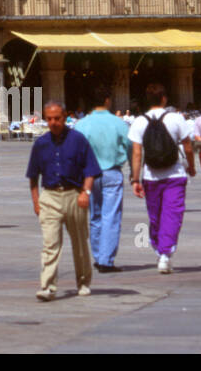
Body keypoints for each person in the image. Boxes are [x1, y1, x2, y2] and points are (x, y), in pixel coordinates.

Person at [26, 101, 101, 300]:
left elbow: (90, 170)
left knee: (79, 243)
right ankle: (47, 286)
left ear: (65, 116)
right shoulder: (40, 144)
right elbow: (33, 177)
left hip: (74, 195)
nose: (53, 122)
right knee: (50, 244)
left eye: (57, 118)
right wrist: (36, 201)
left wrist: (86, 192)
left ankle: (83, 282)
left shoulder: (78, 140)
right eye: (49, 119)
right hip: (49, 196)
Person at [128, 83, 196, 274]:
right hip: (175, 174)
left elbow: (136, 153)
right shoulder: (176, 118)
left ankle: (160, 249)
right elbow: (188, 147)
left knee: (155, 216)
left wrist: (135, 179)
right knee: (173, 214)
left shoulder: (139, 121)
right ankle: (166, 253)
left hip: (151, 176)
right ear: (164, 99)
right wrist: (191, 166)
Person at [75, 87, 132, 272]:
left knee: (95, 216)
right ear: (107, 100)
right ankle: (106, 260)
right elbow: (131, 146)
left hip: (89, 176)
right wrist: (134, 171)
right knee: (111, 216)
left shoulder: (81, 124)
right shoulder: (119, 123)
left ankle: (98, 255)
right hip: (112, 173)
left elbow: (76, 152)